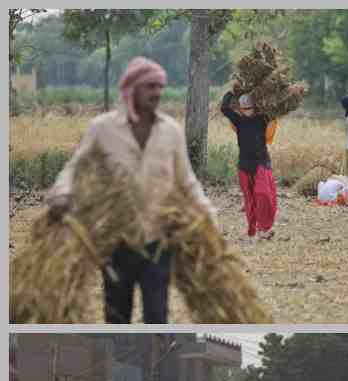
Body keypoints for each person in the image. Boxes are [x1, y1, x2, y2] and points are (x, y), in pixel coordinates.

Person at [46, 57, 214, 324]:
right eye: (150, 86)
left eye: (160, 86)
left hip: (158, 241)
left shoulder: (171, 132)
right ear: (131, 88)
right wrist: (62, 193)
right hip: (116, 241)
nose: (157, 92)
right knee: (116, 317)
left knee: (157, 317)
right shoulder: (102, 129)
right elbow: (75, 168)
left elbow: (187, 181)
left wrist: (207, 214)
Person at [221, 90, 278, 240]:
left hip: (261, 162)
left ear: (254, 107)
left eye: (250, 108)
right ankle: (255, 229)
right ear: (240, 109)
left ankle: (264, 227)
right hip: (244, 164)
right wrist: (231, 92)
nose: (247, 111)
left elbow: (276, 110)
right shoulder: (238, 120)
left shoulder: (262, 119)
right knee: (250, 199)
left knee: (263, 194)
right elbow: (224, 108)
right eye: (244, 109)